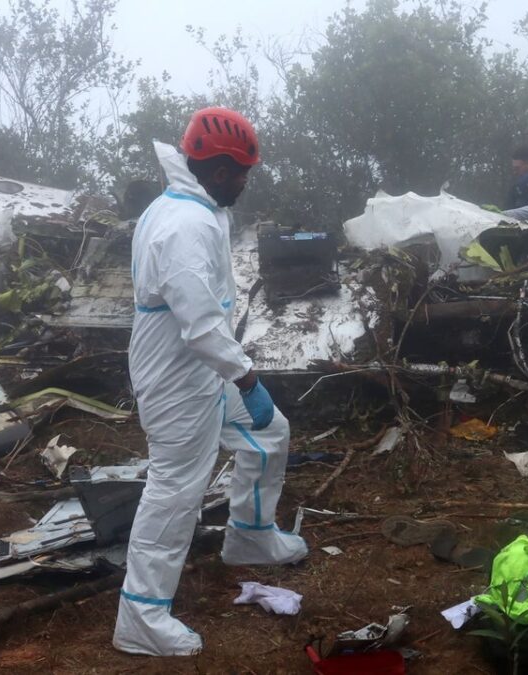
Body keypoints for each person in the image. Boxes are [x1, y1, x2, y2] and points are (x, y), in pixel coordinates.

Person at [114, 107, 308, 656]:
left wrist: (233, 375)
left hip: (203, 370)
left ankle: (250, 537)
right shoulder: (184, 225)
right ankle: (141, 617)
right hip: (177, 379)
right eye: (243, 174)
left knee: (269, 433)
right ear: (220, 171)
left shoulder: (195, 206)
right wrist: (247, 378)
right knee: (175, 489)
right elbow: (199, 325)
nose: (246, 183)